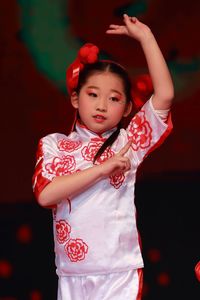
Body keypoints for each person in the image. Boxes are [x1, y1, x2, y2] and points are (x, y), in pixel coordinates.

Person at [32, 14, 174, 300]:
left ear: (126, 109)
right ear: (76, 99)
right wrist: (102, 169)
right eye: (93, 94)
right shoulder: (54, 145)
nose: (101, 105)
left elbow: (165, 95)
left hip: (118, 271)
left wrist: (146, 37)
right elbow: (46, 196)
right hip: (71, 273)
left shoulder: (128, 142)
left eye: (114, 98)